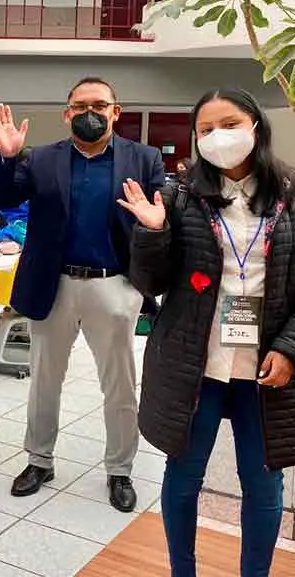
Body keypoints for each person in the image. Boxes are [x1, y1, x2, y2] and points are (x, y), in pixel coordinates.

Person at [121, 88, 295, 576]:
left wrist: (289, 349)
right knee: (183, 478)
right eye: (205, 129)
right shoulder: (180, 196)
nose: (218, 136)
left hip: (265, 369)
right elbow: (151, 283)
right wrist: (152, 233)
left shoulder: (290, 193)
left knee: (264, 484)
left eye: (230, 124)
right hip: (196, 364)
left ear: (256, 125)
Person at [0, 77, 165, 512]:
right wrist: (7, 159)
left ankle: (119, 469)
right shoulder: (42, 159)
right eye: (80, 106)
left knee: (120, 386)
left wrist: (154, 232)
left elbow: (161, 218)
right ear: (67, 114)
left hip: (114, 284)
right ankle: (39, 460)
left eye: (99, 105)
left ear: (115, 111)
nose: (90, 113)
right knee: (45, 381)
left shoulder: (143, 158)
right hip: (54, 284)